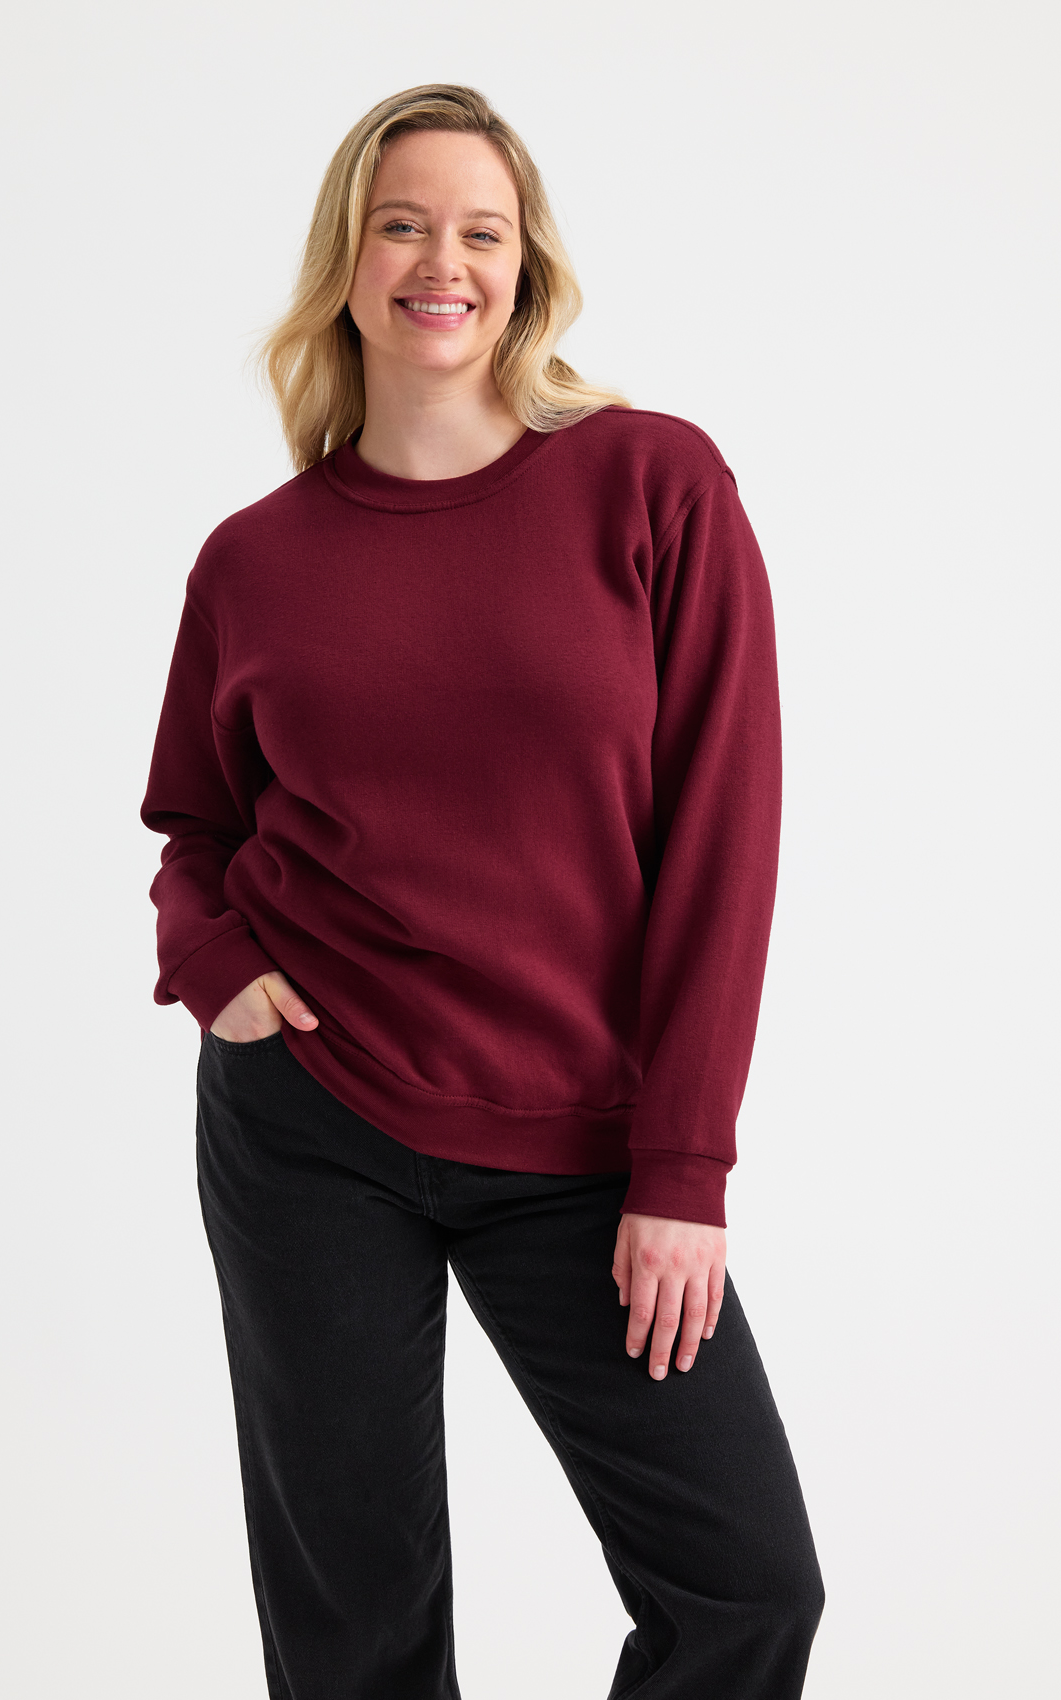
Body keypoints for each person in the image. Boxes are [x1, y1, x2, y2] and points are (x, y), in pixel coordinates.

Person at [141, 82, 825, 1700]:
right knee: (355, 1641)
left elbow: (724, 839)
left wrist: (683, 1166)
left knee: (746, 1592)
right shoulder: (255, 560)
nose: (440, 262)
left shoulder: (655, 486)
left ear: (525, 270)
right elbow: (194, 826)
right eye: (402, 225)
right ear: (347, 262)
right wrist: (215, 966)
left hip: (587, 1146)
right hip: (310, 1125)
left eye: (480, 232)